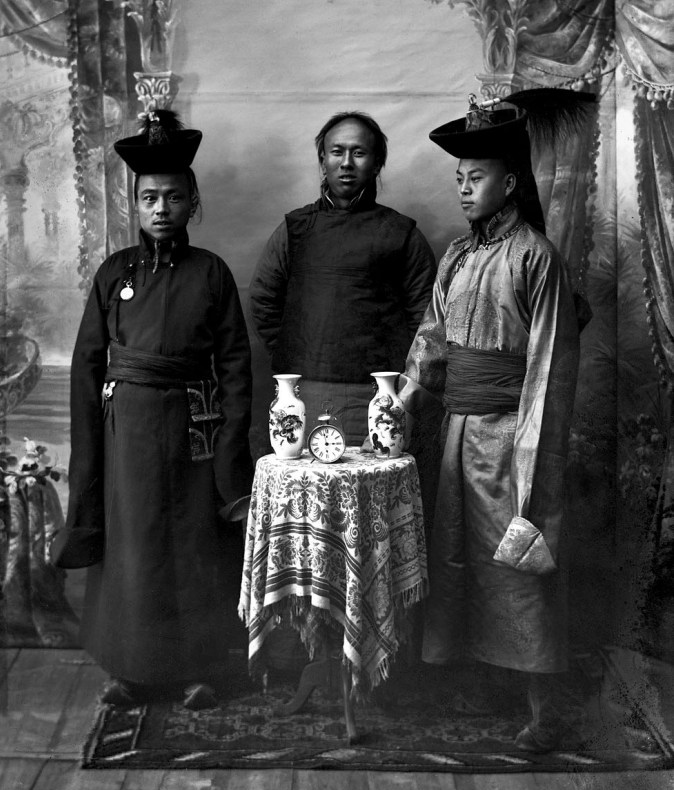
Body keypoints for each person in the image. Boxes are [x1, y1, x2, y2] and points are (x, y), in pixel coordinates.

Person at [400, 90, 592, 751]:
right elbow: (431, 342)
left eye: (474, 177)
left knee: (519, 561)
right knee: (459, 560)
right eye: (457, 178)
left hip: (513, 436)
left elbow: (547, 375)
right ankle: (482, 681)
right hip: (456, 434)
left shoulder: (536, 257)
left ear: (509, 182)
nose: (462, 189)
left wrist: (532, 474)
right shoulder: (456, 257)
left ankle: (545, 707)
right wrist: (396, 402)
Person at [51, 110, 253, 710]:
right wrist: (91, 447)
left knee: (193, 548)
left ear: (193, 203)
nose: (161, 208)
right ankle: (129, 670)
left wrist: (230, 445)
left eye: (172, 197)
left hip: (194, 429)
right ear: (134, 205)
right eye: (148, 198)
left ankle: (199, 668)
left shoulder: (211, 273)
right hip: (128, 434)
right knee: (132, 547)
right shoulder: (114, 275)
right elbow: (89, 366)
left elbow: (237, 367)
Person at [249, 111, 436, 443]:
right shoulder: (295, 229)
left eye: (358, 152)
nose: (346, 162)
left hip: (379, 396)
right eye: (337, 152)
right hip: (302, 394)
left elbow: (427, 319)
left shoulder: (401, 234)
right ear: (323, 160)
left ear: (377, 163)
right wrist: (297, 352)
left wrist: (395, 380)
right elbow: (264, 300)